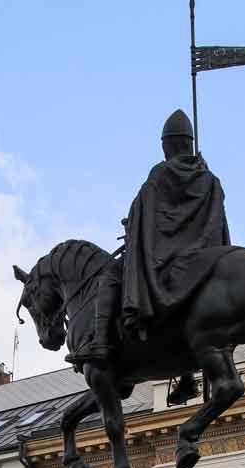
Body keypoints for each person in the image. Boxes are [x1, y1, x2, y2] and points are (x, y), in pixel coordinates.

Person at [69, 109, 230, 404]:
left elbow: (143, 213)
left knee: (110, 277)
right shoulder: (209, 179)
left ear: (167, 144)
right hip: (201, 256)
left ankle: (101, 344)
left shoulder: (161, 173)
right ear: (189, 143)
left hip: (163, 256)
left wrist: (132, 229)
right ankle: (185, 374)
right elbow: (215, 221)